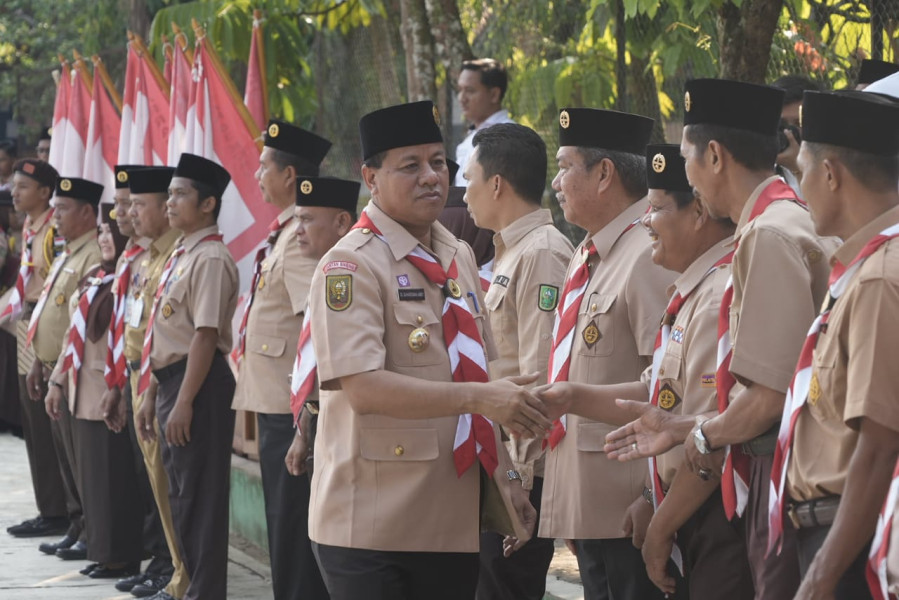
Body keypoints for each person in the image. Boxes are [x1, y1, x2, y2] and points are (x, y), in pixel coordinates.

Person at [307, 100, 547, 600]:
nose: (431, 177)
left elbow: (479, 373)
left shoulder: (456, 255)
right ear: (370, 177)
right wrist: (478, 400)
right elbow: (364, 388)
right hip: (371, 523)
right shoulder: (350, 267)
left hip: (449, 521)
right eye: (410, 166)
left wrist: (507, 480)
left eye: (439, 162)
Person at [540, 144, 752, 598]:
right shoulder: (691, 288)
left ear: (697, 213)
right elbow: (660, 396)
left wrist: (658, 524)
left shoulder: (715, 294)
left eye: (655, 209)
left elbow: (708, 441)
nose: (646, 222)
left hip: (709, 515)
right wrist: (571, 397)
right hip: (674, 508)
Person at [672, 78, 837, 599]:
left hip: (779, 467)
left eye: (686, 158)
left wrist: (702, 437)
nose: (687, 178)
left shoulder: (769, 233)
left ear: (714, 156)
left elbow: (768, 397)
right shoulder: (778, 219)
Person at [764, 90, 899, 600]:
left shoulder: (880, 278)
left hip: (851, 544)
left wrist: (822, 574)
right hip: (838, 535)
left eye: (802, 169)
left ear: (831, 174)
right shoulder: (864, 268)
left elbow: (880, 443)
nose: (800, 188)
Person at [538, 107, 675, 600]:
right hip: (591, 502)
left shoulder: (650, 252)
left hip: (630, 509)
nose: (556, 182)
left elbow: (668, 388)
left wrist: (648, 496)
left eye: (564, 166)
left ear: (603, 174)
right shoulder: (592, 250)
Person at [459, 122, 572, 600]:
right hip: (501, 459)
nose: (464, 195)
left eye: (470, 181)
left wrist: (518, 482)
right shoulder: (512, 250)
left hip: (523, 473)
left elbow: (538, 381)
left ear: (498, 184)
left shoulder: (542, 254)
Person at [231, 119, 331, 600]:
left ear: (290, 176)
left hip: (288, 406)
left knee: (291, 527)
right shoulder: (287, 233)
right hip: (274, 399)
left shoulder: (299, 237)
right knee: (283, 523)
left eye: (264, 166)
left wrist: (306, 414)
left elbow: (316, 327)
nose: (256, 176)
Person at [139, 153, 238, 600]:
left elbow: (204, 336)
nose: (170, 202)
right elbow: (167, 334)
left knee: (201, 500)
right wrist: (153, 393)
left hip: (198, 385)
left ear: (208, 204)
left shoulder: (211, 257)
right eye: (171, 193)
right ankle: (191, 585)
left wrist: (183, 402)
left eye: (181, 194)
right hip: (174, 381)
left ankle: (204, 592)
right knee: (182, 496)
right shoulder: (185, 253)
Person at [45, 204, 143, 579]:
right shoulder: (96, 277)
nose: (104, 237)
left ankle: (121, 555)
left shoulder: (125, 278)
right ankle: (102, 551)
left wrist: (117, 388)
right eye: (100, 231)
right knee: (92, 477)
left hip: (107, 390)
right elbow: (74, 335)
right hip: (80, 389)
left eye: (109, 231)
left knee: (112, 478)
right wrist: (57, 380)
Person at [109, 165, 185, 600]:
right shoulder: (151, 254)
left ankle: (178, 574)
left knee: (169, 486)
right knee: (155, 483)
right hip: (141, 374)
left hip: (163, 377)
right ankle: (171, 569)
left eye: (140, 204)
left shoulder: (176, 255)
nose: (131, 214)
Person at [26, 176, 103, 562]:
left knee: (81, 459)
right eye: (54, 209)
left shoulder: (93, 254)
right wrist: (39, 361)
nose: (55, 216)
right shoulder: (68, 251)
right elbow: (50, 310)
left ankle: (91, 528)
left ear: (88, 212)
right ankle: (77, 524)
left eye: (63, 209)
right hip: (55, 367)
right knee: (66, 460)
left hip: (76, 372)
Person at [4, 159, 69, 541]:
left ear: (45, 192)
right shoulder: (32, 226)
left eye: (23, 187)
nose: (14, 193)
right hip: (26, 327)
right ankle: (49, 508)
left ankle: (61, 511)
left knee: (47, 424)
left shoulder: (53, 232)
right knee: (33, 425)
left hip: (44, 330)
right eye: (14, 186)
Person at [284, 174, 359, 480]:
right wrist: (302, 432)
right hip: (320, 419)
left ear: (342, 223)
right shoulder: (323, 271)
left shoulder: (353, 275)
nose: (297, 230)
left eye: (307, 220)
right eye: (296, 220)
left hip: (348, 426)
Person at [455, 59, 515, 186]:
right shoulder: (466, 143)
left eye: (470, 90)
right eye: (460, 90)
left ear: (494, 94)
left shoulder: (510, 136)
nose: (461, 98)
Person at [771, 75, 821, 190]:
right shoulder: (760, 165)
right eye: (782, 124)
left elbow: (820, 207)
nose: (790, 132)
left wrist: (797, 167)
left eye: (799, 123)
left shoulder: (830, 167)